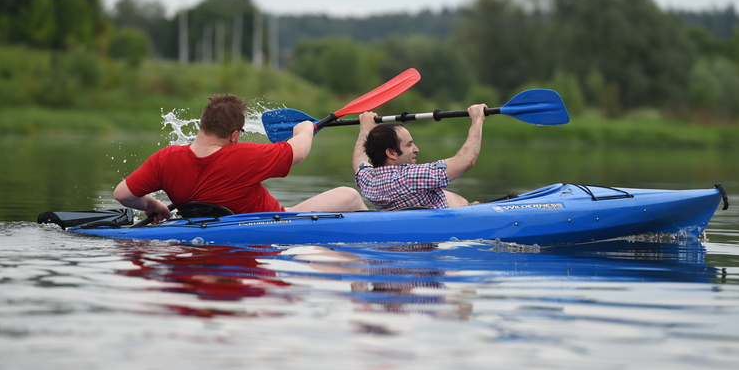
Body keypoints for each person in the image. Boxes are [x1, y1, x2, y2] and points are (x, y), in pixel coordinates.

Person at [114, 94, 368, 222]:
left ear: (202, 125)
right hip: (272, 224)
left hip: (202, 228)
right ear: (235, 135)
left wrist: (153, 206)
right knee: (350, 196)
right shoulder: (244, 156)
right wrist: (303, 130)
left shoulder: (165, 159)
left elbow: (123, 195)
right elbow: (298, 151)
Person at [352, 104, 487, 210]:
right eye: (409, 144)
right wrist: (477, 120)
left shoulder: (369, 181)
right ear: (391, 153)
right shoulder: (411, 177)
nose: (416, 149)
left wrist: (365, 130)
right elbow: (466, 160)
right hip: (464, 218)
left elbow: (359, 160)